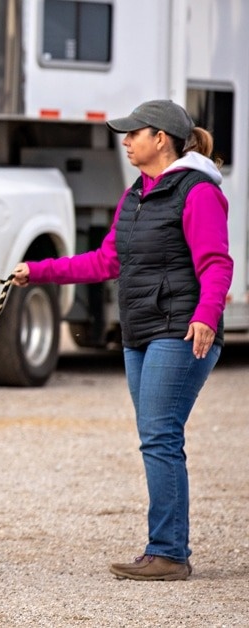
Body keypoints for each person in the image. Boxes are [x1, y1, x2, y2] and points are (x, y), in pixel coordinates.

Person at [13, 99, 233, 581]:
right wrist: (38, 272)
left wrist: (206, 316)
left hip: (179, 331)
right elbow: (104, 261)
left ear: (162, 139)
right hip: (139, 333)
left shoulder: (197, 193)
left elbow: (217, 262)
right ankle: (166, 548)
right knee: (156, 437)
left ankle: (169, 553)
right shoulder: (135, 195)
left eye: (135, 133)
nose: (126, 140)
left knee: (160, 436)